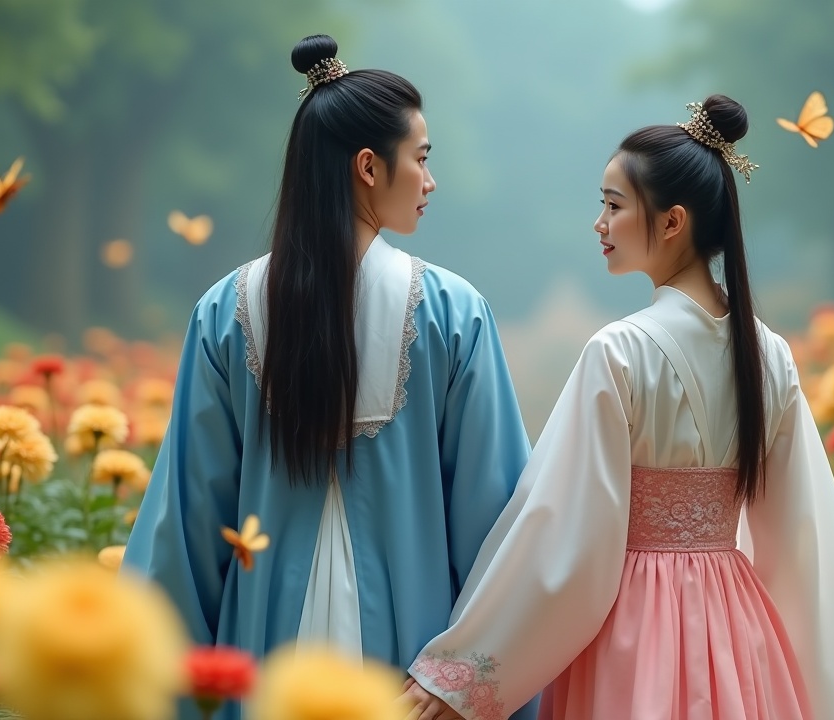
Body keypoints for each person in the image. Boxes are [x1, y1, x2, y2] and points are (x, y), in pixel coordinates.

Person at [405, 96, 834, 720]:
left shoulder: (620, 351)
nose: (600, 224)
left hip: (634, 624)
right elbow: (804, 541)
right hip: (737, 630)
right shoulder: (768, 353)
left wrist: (464, 670)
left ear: (672, 222)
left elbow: (564, 536)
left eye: (613, 206)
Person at [122, 34, 536, 720]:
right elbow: (496, 527)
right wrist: (468, 679)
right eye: (422, 160)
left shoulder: (227, 310)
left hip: (262, 668)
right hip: (410, 679)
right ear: (368, 167)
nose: (430, 181)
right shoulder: (451, 314)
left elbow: (187, 527)